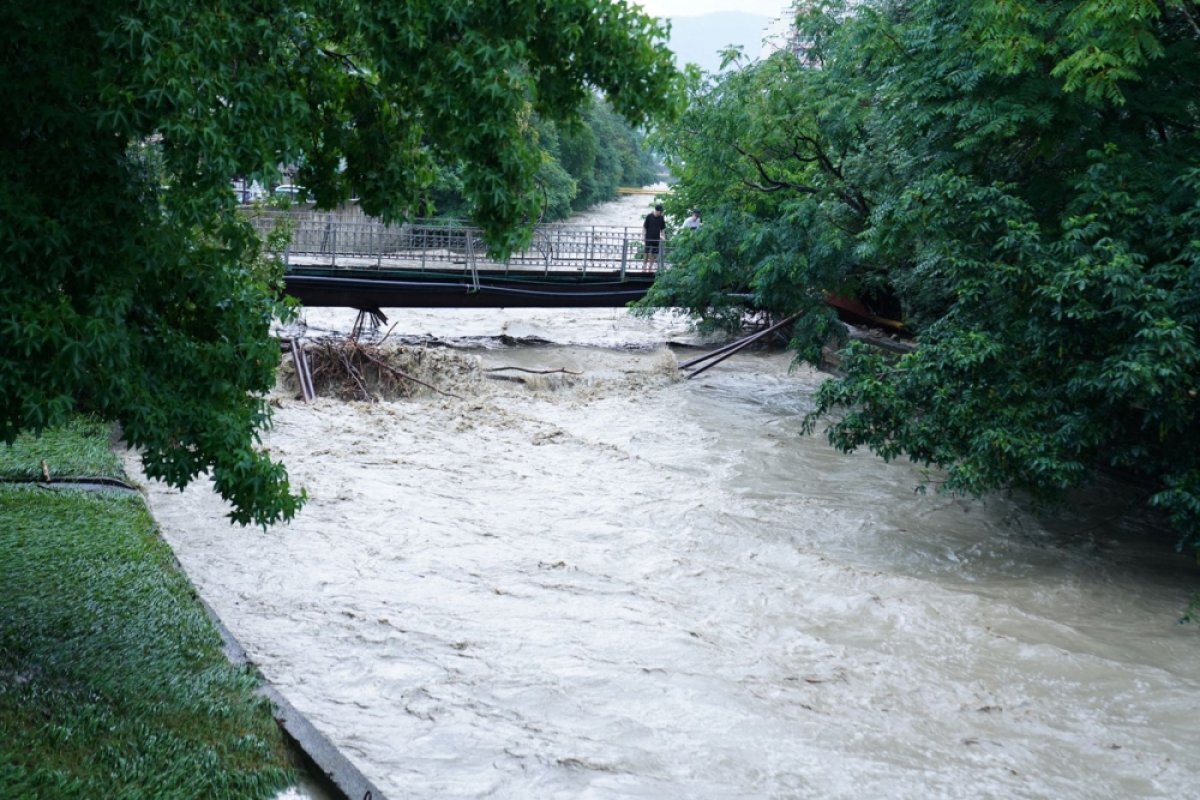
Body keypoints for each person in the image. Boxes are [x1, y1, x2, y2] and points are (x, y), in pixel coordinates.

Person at [643, 203, 667, 268]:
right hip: (648, 237)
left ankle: (650, 266)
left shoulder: (661, 218)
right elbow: (644, 227)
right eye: (661, 211)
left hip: (656, 238)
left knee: (654, 253)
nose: (662, 212)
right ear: (657, 211)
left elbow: (663, 229)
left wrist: (663, 236)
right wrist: (643, 236)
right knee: (647, 252)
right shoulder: (649, 216)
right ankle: (644, 265)